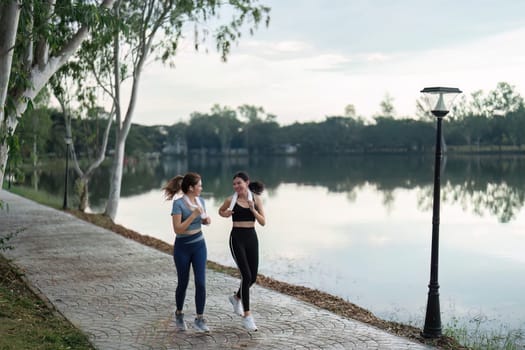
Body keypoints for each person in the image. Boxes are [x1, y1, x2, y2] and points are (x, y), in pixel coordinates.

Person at [163, 172, 211, 332]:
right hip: (182, 247)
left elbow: (203, 219)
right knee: (183, 282)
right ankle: (179, 313)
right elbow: (178, 229)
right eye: (199, 185)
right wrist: (194, 215)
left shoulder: (201, 201)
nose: (201, 188)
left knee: (201, 283)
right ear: (191, 187)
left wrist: (205, 220)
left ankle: (200, 318)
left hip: (199, 246)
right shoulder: (178, 204)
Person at [218, 171, 266, 331]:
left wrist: (253, 210)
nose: (236, 186)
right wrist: (226, 214)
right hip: (236, 238)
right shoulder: (231, 200)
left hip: (252, 238)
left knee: (252, 277)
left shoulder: (256, 200)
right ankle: (247, 316)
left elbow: (263, 222)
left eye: (239, 183)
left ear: (247, 182)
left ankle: (236, 297)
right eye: (234, 184)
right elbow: (221, 211)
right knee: (245, 276)